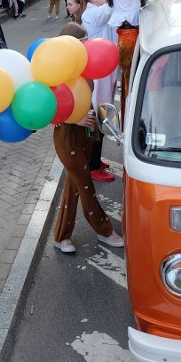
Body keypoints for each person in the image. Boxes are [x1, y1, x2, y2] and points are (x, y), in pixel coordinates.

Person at [51, 22, 124, 254]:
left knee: (73, 188)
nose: (88, 45)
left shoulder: (83, 68)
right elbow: (50, 111)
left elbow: (86, 100)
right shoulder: (56, 74)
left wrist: (93, 117)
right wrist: (75, 119)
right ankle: (104, 231)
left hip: (85, 135)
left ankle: (61, 236)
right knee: (85, 186)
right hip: (67, 137)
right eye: (83, 42)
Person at [107, 0, 180, 123]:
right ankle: (137, 126)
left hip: (126, 38)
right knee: (136, 88)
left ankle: (132, 126)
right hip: (131, 40)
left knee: (131, 86)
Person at [81, 0, 116, 183]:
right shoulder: (92, 14)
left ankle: (96, 159)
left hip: (106, 71)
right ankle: (93, 166)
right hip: (99, 75)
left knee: (104, 113)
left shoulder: (99, 10)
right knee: (98, 115)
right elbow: (111, 6)